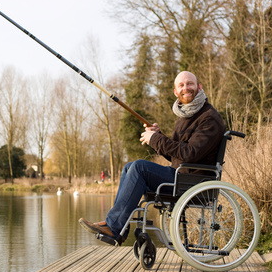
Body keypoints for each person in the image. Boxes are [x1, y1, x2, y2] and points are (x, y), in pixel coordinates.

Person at [79, 71, 225, 240]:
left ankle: (114, 227)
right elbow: (178, 156)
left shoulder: (209, 118)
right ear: (176, 92)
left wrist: (156, 140)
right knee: (129, 167)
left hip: (193, 182)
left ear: (199, 87)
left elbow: (189, 154)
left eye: (190, 84)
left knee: (140, 167)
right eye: (181, 85)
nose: (186, 88)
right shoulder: (186, 114)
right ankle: (116, 226)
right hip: (182, 175)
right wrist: (159, 136)